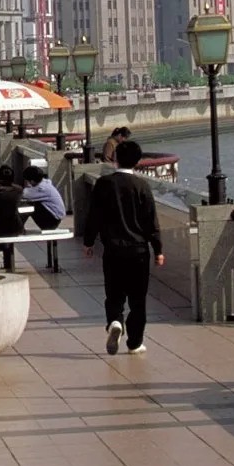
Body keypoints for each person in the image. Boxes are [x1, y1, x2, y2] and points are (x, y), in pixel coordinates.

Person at [82, 140, 164, 355]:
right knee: (138, 299)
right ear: (138, 161)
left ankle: (115, 321)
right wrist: (159, 250)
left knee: (114, 293)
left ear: (115, 158)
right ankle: (135, 342)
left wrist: (89, 242)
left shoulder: (104, 183)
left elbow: (94, 216)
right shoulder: (142, 186)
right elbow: (151, 222)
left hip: (113, 250)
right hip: (138, 250)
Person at [20, 165, 66, 230]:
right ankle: (18, 226)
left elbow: (23, 194)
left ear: (32, 181)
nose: (28, 183)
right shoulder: (44, 183)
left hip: (52, 221)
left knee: (28, 206)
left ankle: (17, 227)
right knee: (27, 205)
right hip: (54, 217)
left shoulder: (42, 188)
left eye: (28, 181)